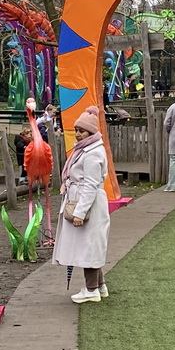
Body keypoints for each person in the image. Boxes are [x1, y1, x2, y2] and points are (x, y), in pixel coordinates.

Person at [52, 106, 110, 304]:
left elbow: (91, 185)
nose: (77, 134)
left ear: (91, 132)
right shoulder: (86, 149)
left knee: (88, 246)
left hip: (88, 204)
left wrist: (79, 212)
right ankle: (99, 286)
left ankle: (91, 289)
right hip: (81, 199)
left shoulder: (92, 153)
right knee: (90, 244)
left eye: (82, 131)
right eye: (77, 130)